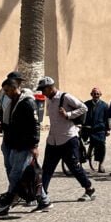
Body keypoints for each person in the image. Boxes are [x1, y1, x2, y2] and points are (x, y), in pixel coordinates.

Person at [0, 78, 50, 217]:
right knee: (26, 175)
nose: (5, 94)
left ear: (14, 87)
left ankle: (4, 208)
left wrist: (34, 145)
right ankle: (44, 200)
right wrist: (3, 126)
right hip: (15, 144)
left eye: (6, 90)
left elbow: (35, 125)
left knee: (16, 175)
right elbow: (15, 125)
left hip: (25, 146)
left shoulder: (27, 102)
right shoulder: (13, 102)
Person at [37, 76, 95, 204]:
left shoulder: (65, 97)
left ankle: (89, 188)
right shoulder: (50, 100)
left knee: (74, 167)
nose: (42, 93)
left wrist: (68, 115)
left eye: (43, 90)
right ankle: (43, 194)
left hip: (68, 138)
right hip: (53, 140)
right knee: (47, 169)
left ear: (50, 88)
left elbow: (84, 108)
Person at [83, 86, 109, 174]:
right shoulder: (86, 104)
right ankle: (80, 161)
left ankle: (101, 164)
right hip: (88, 128)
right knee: (79, 143)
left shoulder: (104, 106)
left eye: (97, 94)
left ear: (100, 95)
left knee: (101, 145)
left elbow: (107, 119)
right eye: (94, 94)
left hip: (99, 129)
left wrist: (108, 129)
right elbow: (82, 116)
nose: (96, 95)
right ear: (91, 94)